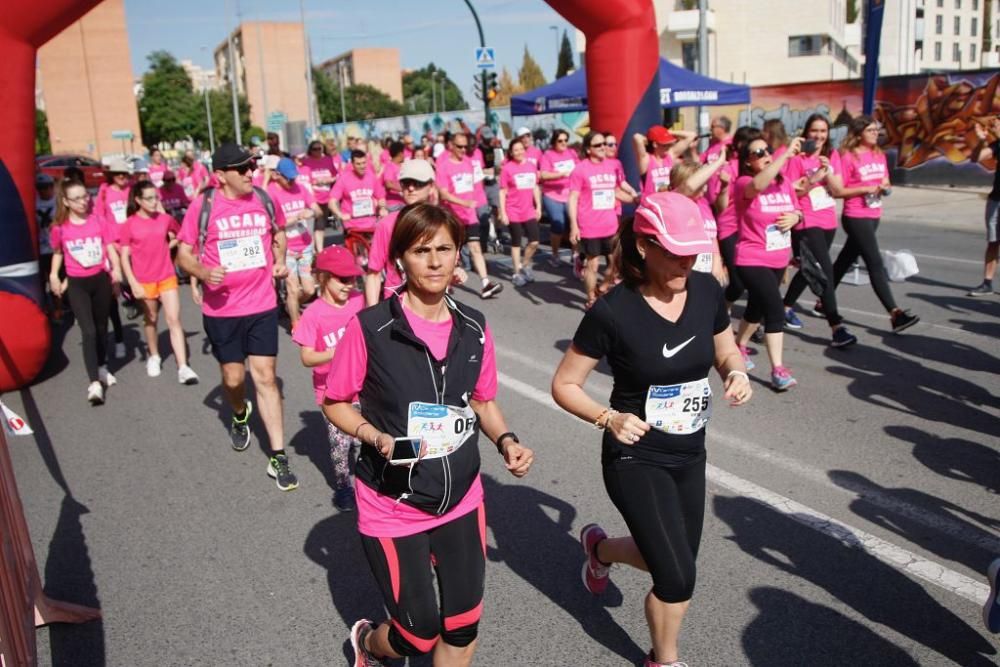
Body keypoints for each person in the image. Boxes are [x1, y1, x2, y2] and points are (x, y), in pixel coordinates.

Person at [322, 203, 533, 667]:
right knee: (417, 637)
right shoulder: (371, 328)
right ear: (400, 259)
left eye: (445, 249)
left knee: (462, 625)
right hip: (393, 503)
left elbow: (481, 399)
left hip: (461, 496)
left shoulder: (474, 326)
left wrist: (507, 441)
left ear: (459, 253)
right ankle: (367, 644)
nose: (435, 261)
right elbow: (334, 401)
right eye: (421, 251)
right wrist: (374, 436)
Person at [551, 191, 751, 667]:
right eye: (675, 251)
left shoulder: (705, 290)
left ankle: (599, 548)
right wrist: (609, 418)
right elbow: (565, 384)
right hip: (635, 456)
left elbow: (725, 351)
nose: (686, 260)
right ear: (645, 246)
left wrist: (736, 373)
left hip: (690, 453)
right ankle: (663, 659)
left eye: (692, 251)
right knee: (677, 577)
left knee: (672, 556)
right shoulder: (612, 311)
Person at [176, 143, 297, 491]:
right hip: (222, 310)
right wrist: (201, 270)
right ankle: (240, 412)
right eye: (242, 168)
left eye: (252, 167)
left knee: (266, 378)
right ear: (220, 176)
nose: (250, 173)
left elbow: (278, 233)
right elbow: (183, 252)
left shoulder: (264, 198)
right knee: (232, 379)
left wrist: (279, 259)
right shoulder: (204, 206)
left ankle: (278, 455)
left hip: (260, 304)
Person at [830, 115, 920, 333]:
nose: (875, 133)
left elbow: (886, 182)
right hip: (855, 215)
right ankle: (895, 314)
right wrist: (865, 188)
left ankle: (824, 299)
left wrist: (885, 187)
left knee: (844, 260)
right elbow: (839, 190)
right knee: (875, 263)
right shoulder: (847, 156)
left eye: (877, 130)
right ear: (859, 132)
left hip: (873, 213)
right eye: (870, 130)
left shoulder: (878, 154)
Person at [292, 245, 365, 511]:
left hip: (364, 387)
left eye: (353, 278)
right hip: (331, 392)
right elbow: (307, 357)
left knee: (365, 438)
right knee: (340, 443)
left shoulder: (360, 300)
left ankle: (372, 483)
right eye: (343, 279)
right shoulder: (313, 314)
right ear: (323, 277)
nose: (350, 285)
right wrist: (337, 351)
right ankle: (344, 486)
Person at [729, 134, 804, 390]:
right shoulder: (743, 182)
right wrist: (784, 155)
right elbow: (757, 186)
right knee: (774, 310)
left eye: (767, 150)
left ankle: (738, 346)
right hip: (751, 258)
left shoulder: (784, 183)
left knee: (756, 308)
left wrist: (796, 217)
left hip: (778, 257)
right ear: (748, 162)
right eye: (757, 153)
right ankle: (778, 370)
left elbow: (798, 209)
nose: (764, 154)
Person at [781, 113, 858, 347]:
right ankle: (836, 327)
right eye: (815, 131)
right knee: (825, 271)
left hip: (827, 221)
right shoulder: (797, 159)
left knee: (808, 270)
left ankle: (782, 309)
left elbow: (838, 190)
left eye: (823, 131)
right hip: (806, 220)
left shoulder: (831, 155)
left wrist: (829, 172)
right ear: (806, 132)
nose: (819, 136)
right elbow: (792, 193)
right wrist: (813, 179)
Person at [48, 179, 122, 405]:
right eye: (77, 198)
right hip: (77, 284)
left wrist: (117, 270)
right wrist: (53, 275)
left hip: (100, 280)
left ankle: (102, 367)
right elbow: (59, 253)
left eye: (85, 196)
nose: (83, 201)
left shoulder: (99, 221)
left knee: (100, 328)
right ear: (66, 202)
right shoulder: (60, 228)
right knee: (88, 331)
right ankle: (94, 384)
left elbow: (109, 247)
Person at [119, 181, 199, 383]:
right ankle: (154, 355)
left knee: (174, 319)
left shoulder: (165, 219)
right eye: (149, 198)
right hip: (144, 279)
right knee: (151, 319)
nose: (154, 202)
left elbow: (179, 236)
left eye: (156, 197)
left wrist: (167, 245)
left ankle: (183, 367)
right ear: (138, 200)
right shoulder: (129, 224)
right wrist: (132, 282)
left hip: (166, 276)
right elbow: (124, 256)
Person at [568, 131, 637, 308]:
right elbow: (573, 198)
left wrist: (635, 199)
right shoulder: (580, 169)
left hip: (611, 224)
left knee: (616, 262)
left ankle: (604, 286)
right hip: (590, 225)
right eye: (598, 145)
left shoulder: (613, 165)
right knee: (593, 265)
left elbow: (616, 191)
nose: (603, 148)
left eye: (604, 144)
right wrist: (574, 226)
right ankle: (591, 298)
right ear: (589, 149)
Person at [365, 159, 446, 305]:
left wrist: (455, 273)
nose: (411, 188)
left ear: (432, 186)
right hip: (397, 306)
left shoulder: (443, 223)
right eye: (405, 183)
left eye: (418, 183)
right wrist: (372, 317)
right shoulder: (387, 224)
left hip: (433, 306)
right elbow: (373, 274)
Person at [436, 132, 504, 298]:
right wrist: (463, 203)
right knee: (449, 253)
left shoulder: (467, 163)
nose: (463, 149)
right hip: (451, 217)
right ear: (451, 145)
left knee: (475, 247)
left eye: (466, 146)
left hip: (469, 215)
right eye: (460, 146)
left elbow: (474, 186)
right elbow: (443, 194)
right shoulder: (443, 165)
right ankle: (443, 284)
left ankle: (485, 283)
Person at [709, 126, 762, 310]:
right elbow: (720, 206)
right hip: (730, 228)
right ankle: (721, 313)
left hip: (752, 228)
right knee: (738, 284)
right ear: (740, 145)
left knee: (757, 283)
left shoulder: (761, 170)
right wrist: (724, 186)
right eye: (753, 147)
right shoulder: (728, 168)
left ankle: (751, 322)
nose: (758, 152)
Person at [269, 157, 323, 331]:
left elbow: (319, 210)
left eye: (294, 177)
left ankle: (290, 306)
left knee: (309, 290)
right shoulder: (271, 193)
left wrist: (311, 212)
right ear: (277, 175)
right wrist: (293, 219)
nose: (292, 181)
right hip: (287, 250)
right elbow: (270, 224)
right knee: (292, 289)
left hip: (305, 245)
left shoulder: (301, 188)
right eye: (288, 178)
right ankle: (295, 322)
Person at [95, 157, 133, 357]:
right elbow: (99, 216)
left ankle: (133, 298)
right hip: (113, 241)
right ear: (111, 175)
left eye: (125, 174)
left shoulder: (131, 190)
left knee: (135, 274)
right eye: (118, 174)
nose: (122, 177)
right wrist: (108, 241)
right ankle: (127, 299)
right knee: (118, 278)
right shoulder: (104, 191)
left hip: (131, 238)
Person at [330, 149, 387, 264]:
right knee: (357, 259)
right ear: (352, 164)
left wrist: (382, 207)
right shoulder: (344, 179)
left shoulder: (371, 177)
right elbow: (332, 201)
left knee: (378, 253)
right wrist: (340, 214)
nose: (362, 166)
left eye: (364, 163)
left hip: (370, 223)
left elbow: (381, 197)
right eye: (358, 164)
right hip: (352, 225)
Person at [499, 140, 542, 287]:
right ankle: (517, 273)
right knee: (516, 241)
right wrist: (503, 212)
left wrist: (539, 207)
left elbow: (535, 187)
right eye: (515, 150)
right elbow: (502, 191)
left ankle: (524, 264)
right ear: (511, 153)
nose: (519, 152)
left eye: (521, 149)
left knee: (534, 241)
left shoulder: (531, 165)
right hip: (513, 210)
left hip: (529, 209)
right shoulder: (507, 168)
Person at [967, 117, 1000, 296]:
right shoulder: (996, 145)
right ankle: (987, 282)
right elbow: (975, 158)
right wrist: (980, 141)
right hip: (996, 198)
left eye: (996, 122)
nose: (993, 125)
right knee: (993, 241)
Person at [539, 129, 578, 268]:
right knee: (558, 225)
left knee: (575, 224)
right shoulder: (548, 155)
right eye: (560, 141)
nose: (563, 143)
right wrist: (561, 174)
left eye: (566, 140)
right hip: (552, 195)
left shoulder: (572, 153)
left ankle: (575, 255)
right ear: (554, 142)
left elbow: (579, 169)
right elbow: (543, 175)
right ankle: (555, 254)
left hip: (570, 195)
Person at [633, 125, 697, 197]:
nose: (668, 147)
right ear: (655, 144)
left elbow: (691, 135)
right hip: (652, 203)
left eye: (669, 144)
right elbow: (637, 137)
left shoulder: (670, 155)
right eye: (665, 144)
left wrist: (669, 133)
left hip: (668, 201)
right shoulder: (646, 159)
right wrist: (649, 139)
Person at [36, 173, 58, 313]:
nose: (43, 190)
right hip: (39, 248)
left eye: (46, 187)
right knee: (41, 282)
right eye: (40, 188)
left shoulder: (59, 202)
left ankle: (59, 308)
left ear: (52, 187)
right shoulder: (33, 202)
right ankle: (45, 308)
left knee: (56, 280)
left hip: (56, 249)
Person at [381, 141, 407, 211]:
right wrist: (404, 189)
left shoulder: (402, 166)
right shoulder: (389, 166)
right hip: (393, 205)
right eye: (404, 152)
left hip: (403, 202)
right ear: (400, 154)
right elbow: (388, 184)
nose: (405, 155)